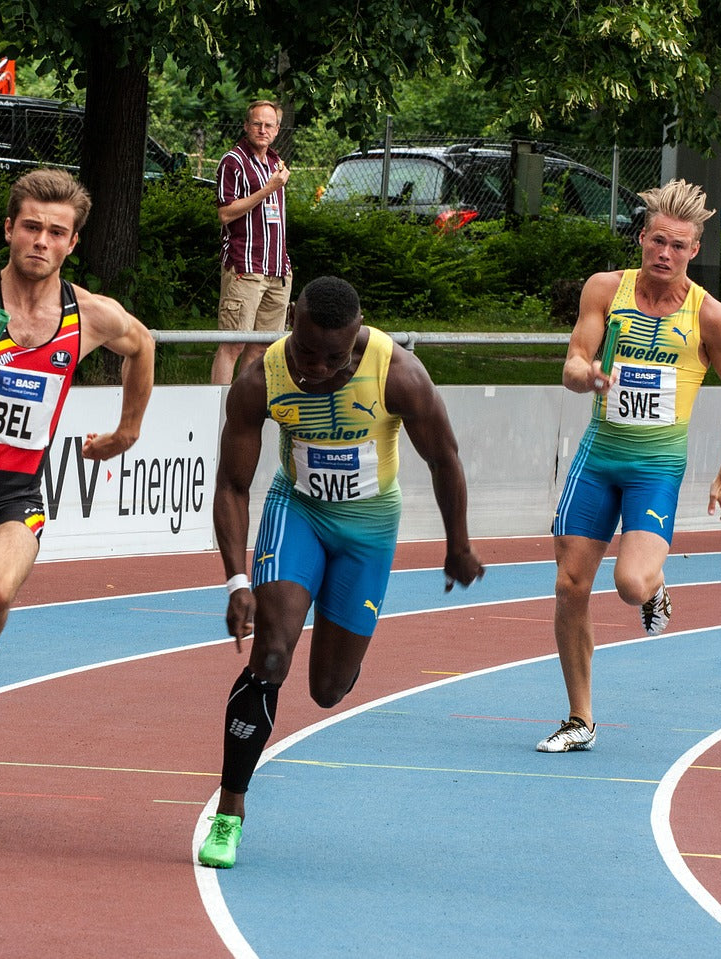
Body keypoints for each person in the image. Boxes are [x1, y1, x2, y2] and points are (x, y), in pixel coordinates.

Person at [197, 275, 485, 869]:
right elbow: (231, 484)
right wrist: (236, 580)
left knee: (327, 690)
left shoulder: (398, 374)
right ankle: (230, 812)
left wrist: (458, 543)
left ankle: (337, 615)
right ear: (292, 322)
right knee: (271, 656)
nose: (320, 370)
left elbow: (444, 457)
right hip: (297, 513)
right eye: (307, 353)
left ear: (358, 337)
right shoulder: (261, 379)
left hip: (368, 530)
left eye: (336, 357)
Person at [0, 168, 155, 774]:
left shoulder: (89, 315)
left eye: (56, 232)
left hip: (11, 495)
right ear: (9, 230)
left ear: (72, 244)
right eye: (31, 228)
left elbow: (143, 344)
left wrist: (128, 431)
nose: (41, 241)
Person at [536, 178, 721, 754]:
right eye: (657, 241)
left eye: (678, 246)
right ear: (641, 238)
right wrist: (584, 375)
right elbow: (576, 360)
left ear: (694, 250)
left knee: (629, 584)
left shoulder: (712, 318)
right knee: (569, 585)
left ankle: (654, 588)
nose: (665, 254)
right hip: (598, 459)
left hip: (655, 467)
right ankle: (580, 718)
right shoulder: (606, 289)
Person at [210, 100, 292, 385]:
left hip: (276, 269)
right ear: (246, 126)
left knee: (262, 347)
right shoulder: (233, 161)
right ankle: (218, 411)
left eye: (269, 125)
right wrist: (267, 188)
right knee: (233, 344)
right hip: (245, 265)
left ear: (277, 129)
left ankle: (242, 410)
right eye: (257, 123)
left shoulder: (275, 162)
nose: (262, 129)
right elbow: (225, 213)